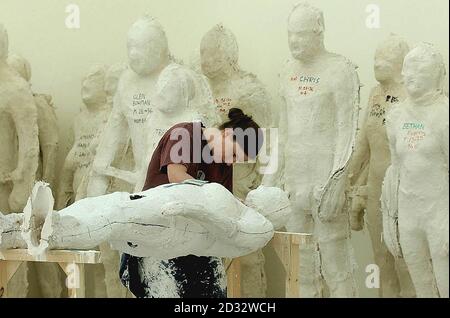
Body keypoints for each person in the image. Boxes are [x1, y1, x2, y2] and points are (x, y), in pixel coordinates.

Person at [119, 108, 264, 298]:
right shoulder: (186, 134)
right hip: (157, 234)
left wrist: (243, 210)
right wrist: (218, 196)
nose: (231, 163)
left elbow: (222, 206)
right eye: (235, 155)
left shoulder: (223, 163)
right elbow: (176, 175)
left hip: (194, 242)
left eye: (237, 161)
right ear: (227, 134)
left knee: (214, 292)